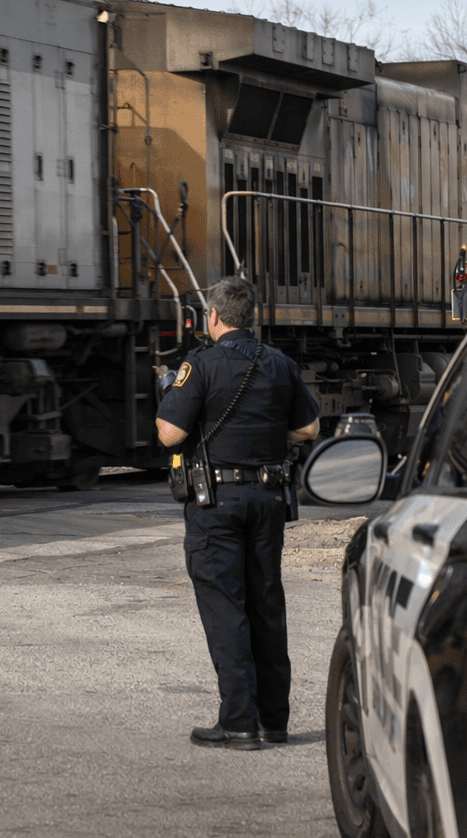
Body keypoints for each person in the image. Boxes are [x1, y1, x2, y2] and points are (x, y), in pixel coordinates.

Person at [155, 276, 321, 751]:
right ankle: (275, 721)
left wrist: (171, 394)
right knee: (266, 606)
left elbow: (169, 434)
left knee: (227, 610)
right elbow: (308, 428)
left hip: (216, 507)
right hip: (269, 502)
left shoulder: (200, 365)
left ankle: (239, 723)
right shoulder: (280, 364)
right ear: (251, 317)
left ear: (212, 317)